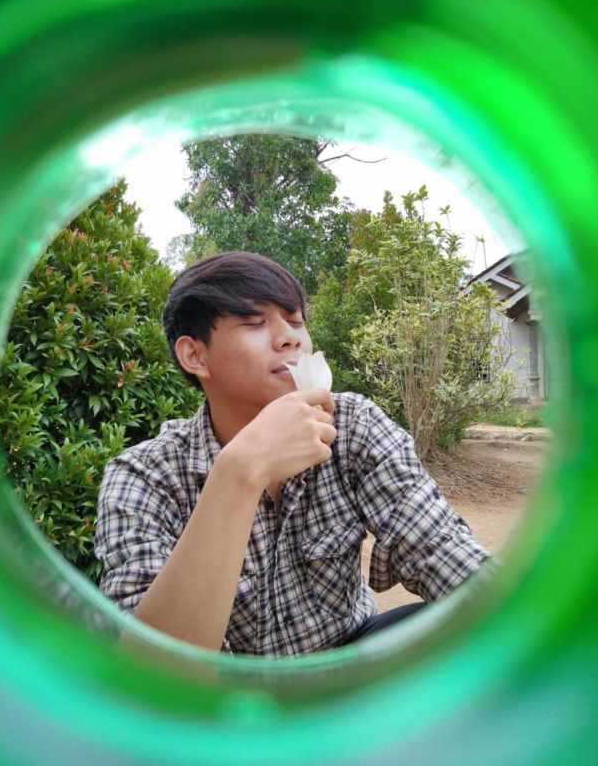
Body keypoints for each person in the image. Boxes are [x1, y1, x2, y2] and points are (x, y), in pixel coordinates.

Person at [95, 251, 490, 656]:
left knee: (464, 622)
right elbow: (152, 671)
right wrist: (240, 470)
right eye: (254, 322)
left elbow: (441, 550)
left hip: (349, 664)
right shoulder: (144, 477)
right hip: (226, 691)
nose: (291, 338)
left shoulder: (352, 426)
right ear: (195, 355)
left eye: (296, 321)